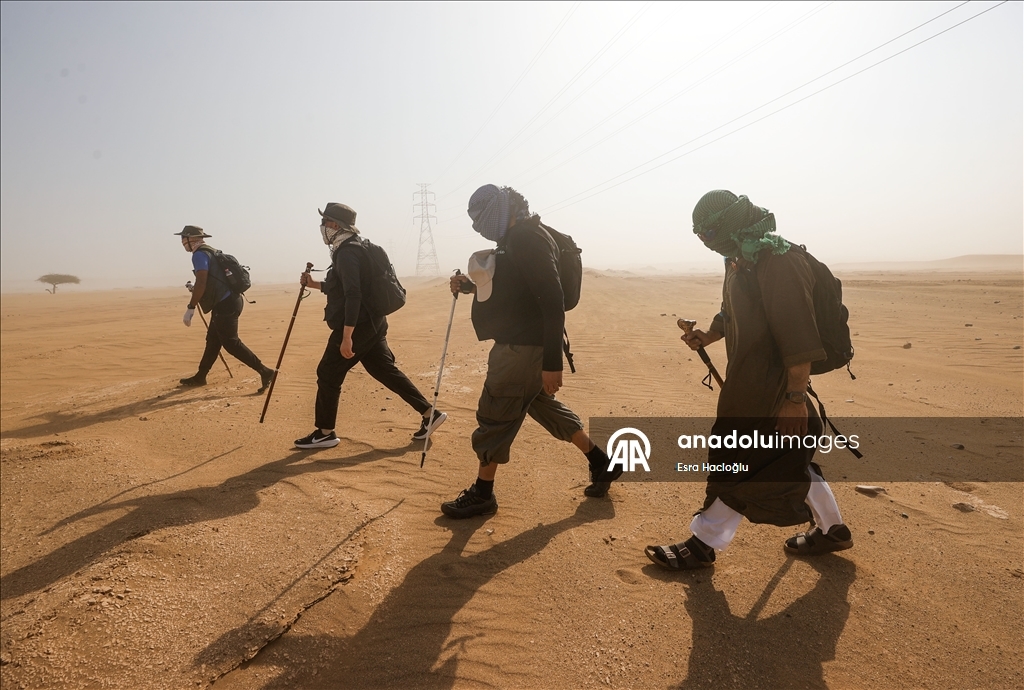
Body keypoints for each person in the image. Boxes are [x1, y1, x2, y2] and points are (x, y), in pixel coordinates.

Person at [645, 190, 852, 570]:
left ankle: (704, 541)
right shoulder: (741, 256)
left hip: (775, 382)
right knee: (786, 455)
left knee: (741, 456)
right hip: (752, 377)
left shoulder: (780, 261)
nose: (706, 240)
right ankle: (833, 529)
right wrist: (709, 334)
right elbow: (732, 309)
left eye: (710, 231)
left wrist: (793, 397)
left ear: (732, 223)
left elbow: (799, 336)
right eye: (700, 234)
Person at [440, 185, 619, 519]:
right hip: (525, 345)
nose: (479, 224)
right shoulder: (514, 238)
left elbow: (552, 300)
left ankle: (483, 493)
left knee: (495, 413)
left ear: (502, 209)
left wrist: (552, 363)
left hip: (523, 347)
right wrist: (469, 285)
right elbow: (515, 291)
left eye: (483, 215)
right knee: (541, 406)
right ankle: (601, 461)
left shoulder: (526, 238)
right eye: (475, 218)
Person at [294, 203, 445, 449]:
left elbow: (354, 295)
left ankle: (324, 432)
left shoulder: (346, 253)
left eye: (325, 223)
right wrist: (315, 284)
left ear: (334, 225)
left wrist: (347, 336)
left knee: (328, 373)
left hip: (358, 325)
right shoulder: (360, 247)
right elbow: (347, 287)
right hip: (374, 322)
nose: (322, 228)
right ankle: (430, 414)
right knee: (384, 369)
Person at [176, 226, 274, 392]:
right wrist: (196, 288)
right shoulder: (211, 251)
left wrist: (191, 307)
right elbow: (211, 281)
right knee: (213, 340)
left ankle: (265, 371)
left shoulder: (199, 254)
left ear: (190, 239)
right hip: (232, 300)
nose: (182, 243)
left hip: (225, 304)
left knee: (231, 343)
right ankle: (201, 376)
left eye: (183, 239)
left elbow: (202, 282)